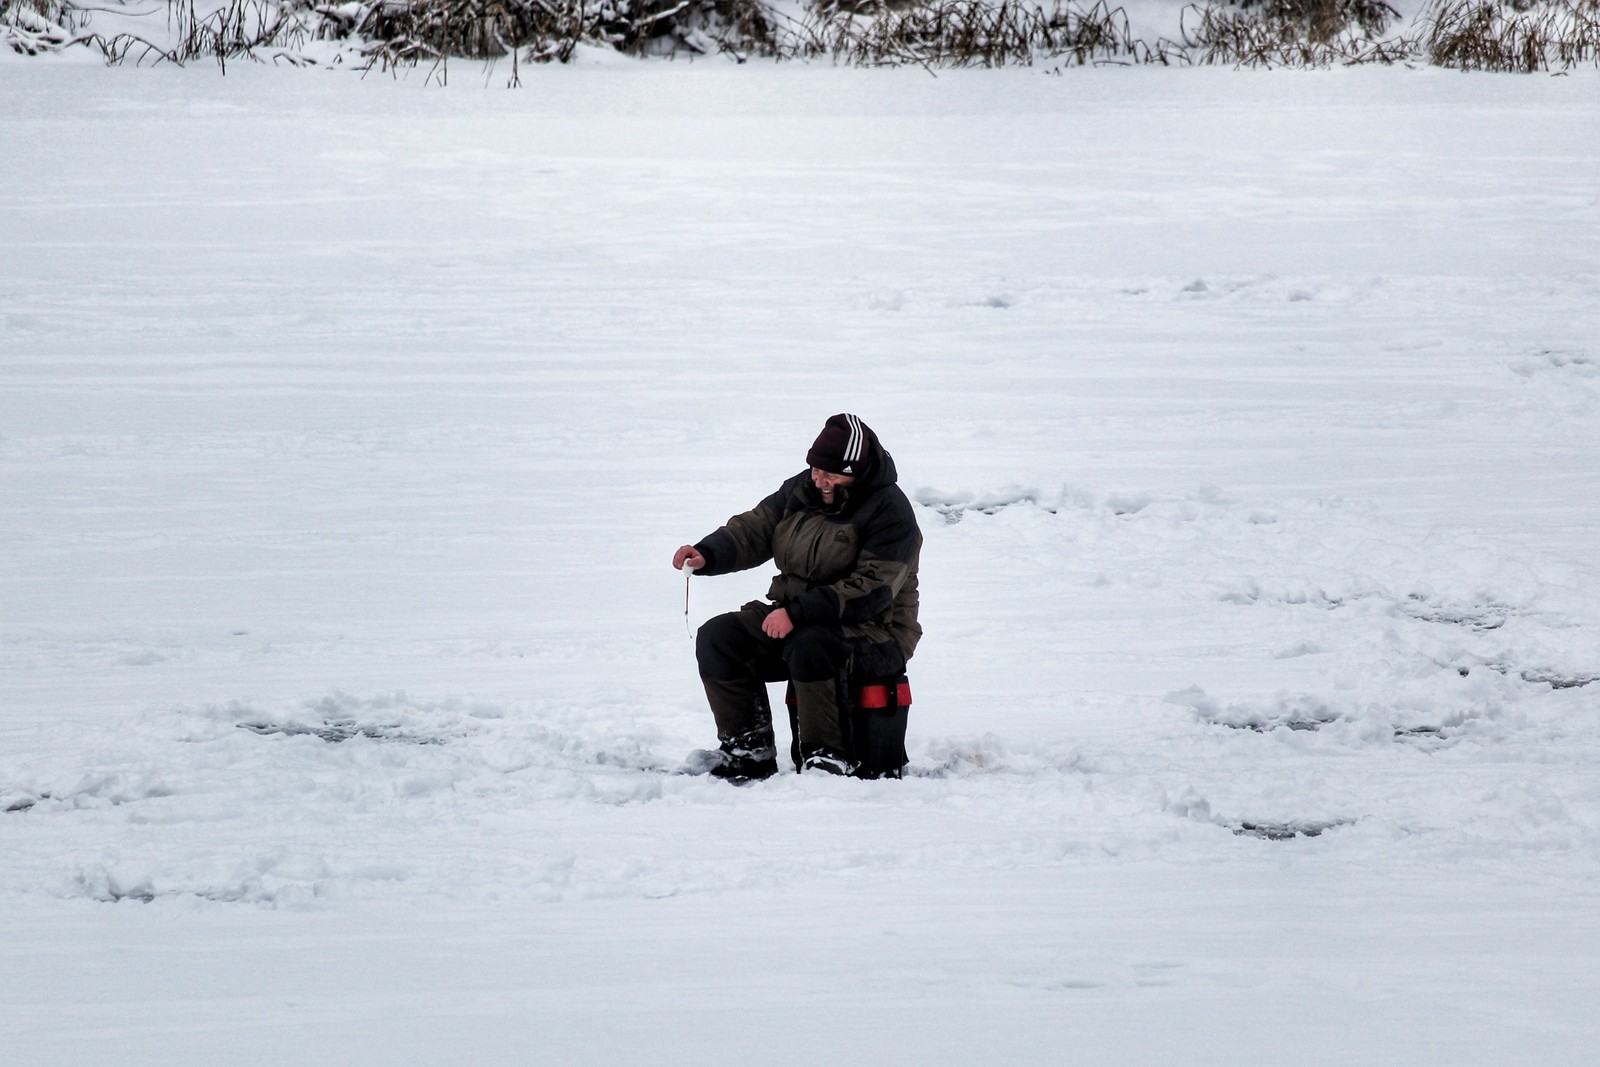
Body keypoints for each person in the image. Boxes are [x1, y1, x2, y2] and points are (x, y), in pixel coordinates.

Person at [672, 413, 922, 781]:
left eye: (831, 474)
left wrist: (798, 613)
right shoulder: (802, 489)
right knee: (721, 637)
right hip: (800, 617)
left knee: (812, 643)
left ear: (857, 472)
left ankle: (828, 757)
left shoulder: (890, 512)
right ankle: (747, 749)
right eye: (816, 469)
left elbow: (872, 590)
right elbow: (755, 528)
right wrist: (708, 553)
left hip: (875, 633)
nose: (819, 479)